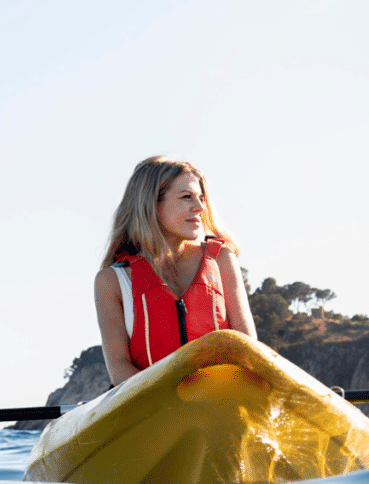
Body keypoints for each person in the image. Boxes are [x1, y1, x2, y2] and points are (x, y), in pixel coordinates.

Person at [95, 156, 257, 385]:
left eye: (201, 198)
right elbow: (119, 365)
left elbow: (247, 344)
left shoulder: (221, 260)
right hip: (154, 411)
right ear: (151, 205)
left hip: (223, 404)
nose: (200, 207)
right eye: (186, 197)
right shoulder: (112, 281)